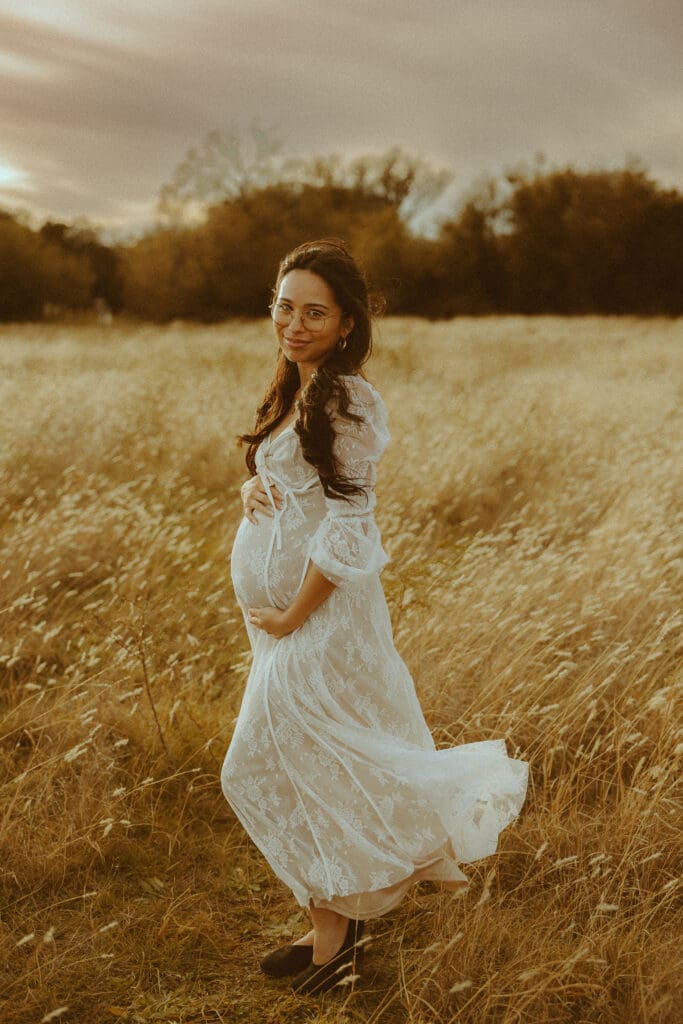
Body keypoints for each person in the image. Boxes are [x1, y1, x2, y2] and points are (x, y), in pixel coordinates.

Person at [221, 238, 528, 996]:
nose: (293, 323)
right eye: (284, 306)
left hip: (318, 621)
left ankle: (343, 942)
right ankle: (333, 929)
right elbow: (295, 479)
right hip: (284, 626)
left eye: (313, 312)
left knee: (258, 764)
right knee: (314, 764)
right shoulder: (296, 385)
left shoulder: (350, 399)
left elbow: (352, 527)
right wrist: (249, 491)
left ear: (347, 323)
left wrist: (293, 616)